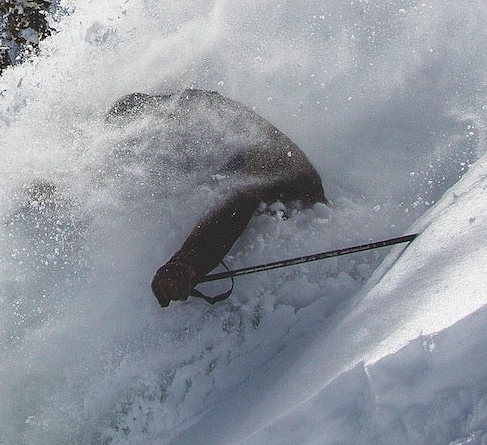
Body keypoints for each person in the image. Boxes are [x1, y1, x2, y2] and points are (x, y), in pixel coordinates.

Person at [104, 87, 325, 306]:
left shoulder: (209, 124)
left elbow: (243, 194)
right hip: (255, 213)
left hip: (301, 223)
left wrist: (186, 262)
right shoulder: (184, 127)